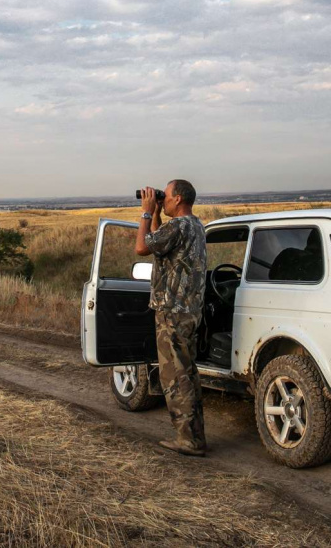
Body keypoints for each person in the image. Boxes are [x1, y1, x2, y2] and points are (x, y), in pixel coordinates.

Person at [135, 179, 208, 456]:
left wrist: (144, 211)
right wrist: (155, 213)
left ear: (177, 199)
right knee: (187, 373)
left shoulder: (178, 226)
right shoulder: (195, 226)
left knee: (175, 377)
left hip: (172, 312)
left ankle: (189, 440)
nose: (161, 199)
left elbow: (142, 247)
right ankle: (194, 436)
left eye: (165, 196)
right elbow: (158, 244)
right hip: (189, 310)